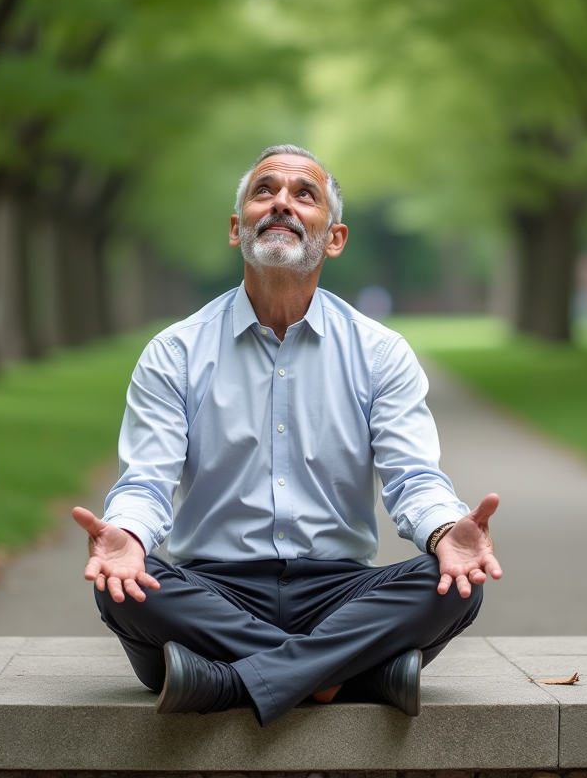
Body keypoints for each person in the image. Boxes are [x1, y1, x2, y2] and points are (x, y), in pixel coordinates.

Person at [71, 144, 502, 727]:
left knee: (453, 581)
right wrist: (127, 534)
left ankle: (222, 682)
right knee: (124, 583)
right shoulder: (174, 353)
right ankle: (345, 677)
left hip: (339, 594)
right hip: (211, 593)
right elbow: (147, 480)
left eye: (305, 194)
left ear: (335, 237)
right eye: (264, 191)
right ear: (236, 228)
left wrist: (447, 531)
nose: (282, 203)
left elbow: (413, 478)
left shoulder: (380, 354)